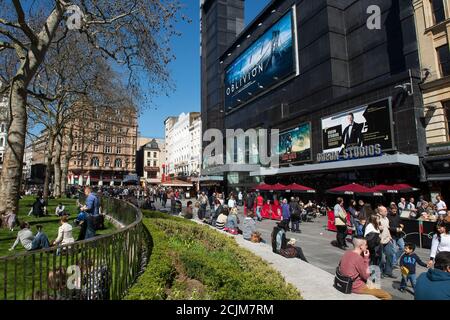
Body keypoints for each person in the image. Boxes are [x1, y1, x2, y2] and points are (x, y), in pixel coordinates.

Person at [377, 206, 396, 278]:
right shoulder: (377, 218)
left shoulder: (386, 218)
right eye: (385, 211)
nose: (386, 212)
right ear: (380, 212)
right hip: (380, 241)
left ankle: (388, 271)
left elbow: (387, 229)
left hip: (387, 240)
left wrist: (390, 237)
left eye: (386, 211)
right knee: (381, 258)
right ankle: (380, 272)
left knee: (390, 255)